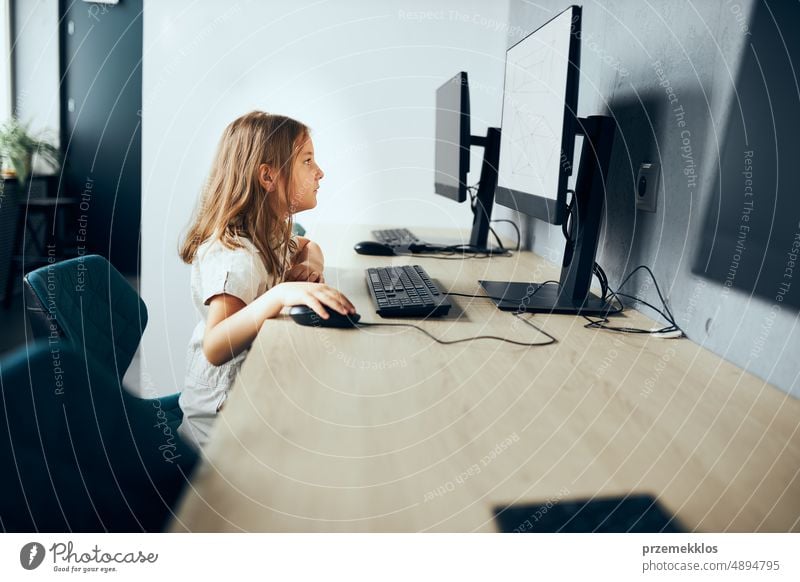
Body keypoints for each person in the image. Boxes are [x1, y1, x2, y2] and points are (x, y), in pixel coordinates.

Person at [177, 111, 356, 448]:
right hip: (220, 423)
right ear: (268, 176)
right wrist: (281, 295)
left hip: (251, 391)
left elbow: (306, 244)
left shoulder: (269, 232)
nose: (320, 172)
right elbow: (216, 347)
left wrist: (312, 261)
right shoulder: (236, 255)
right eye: (307, 161)